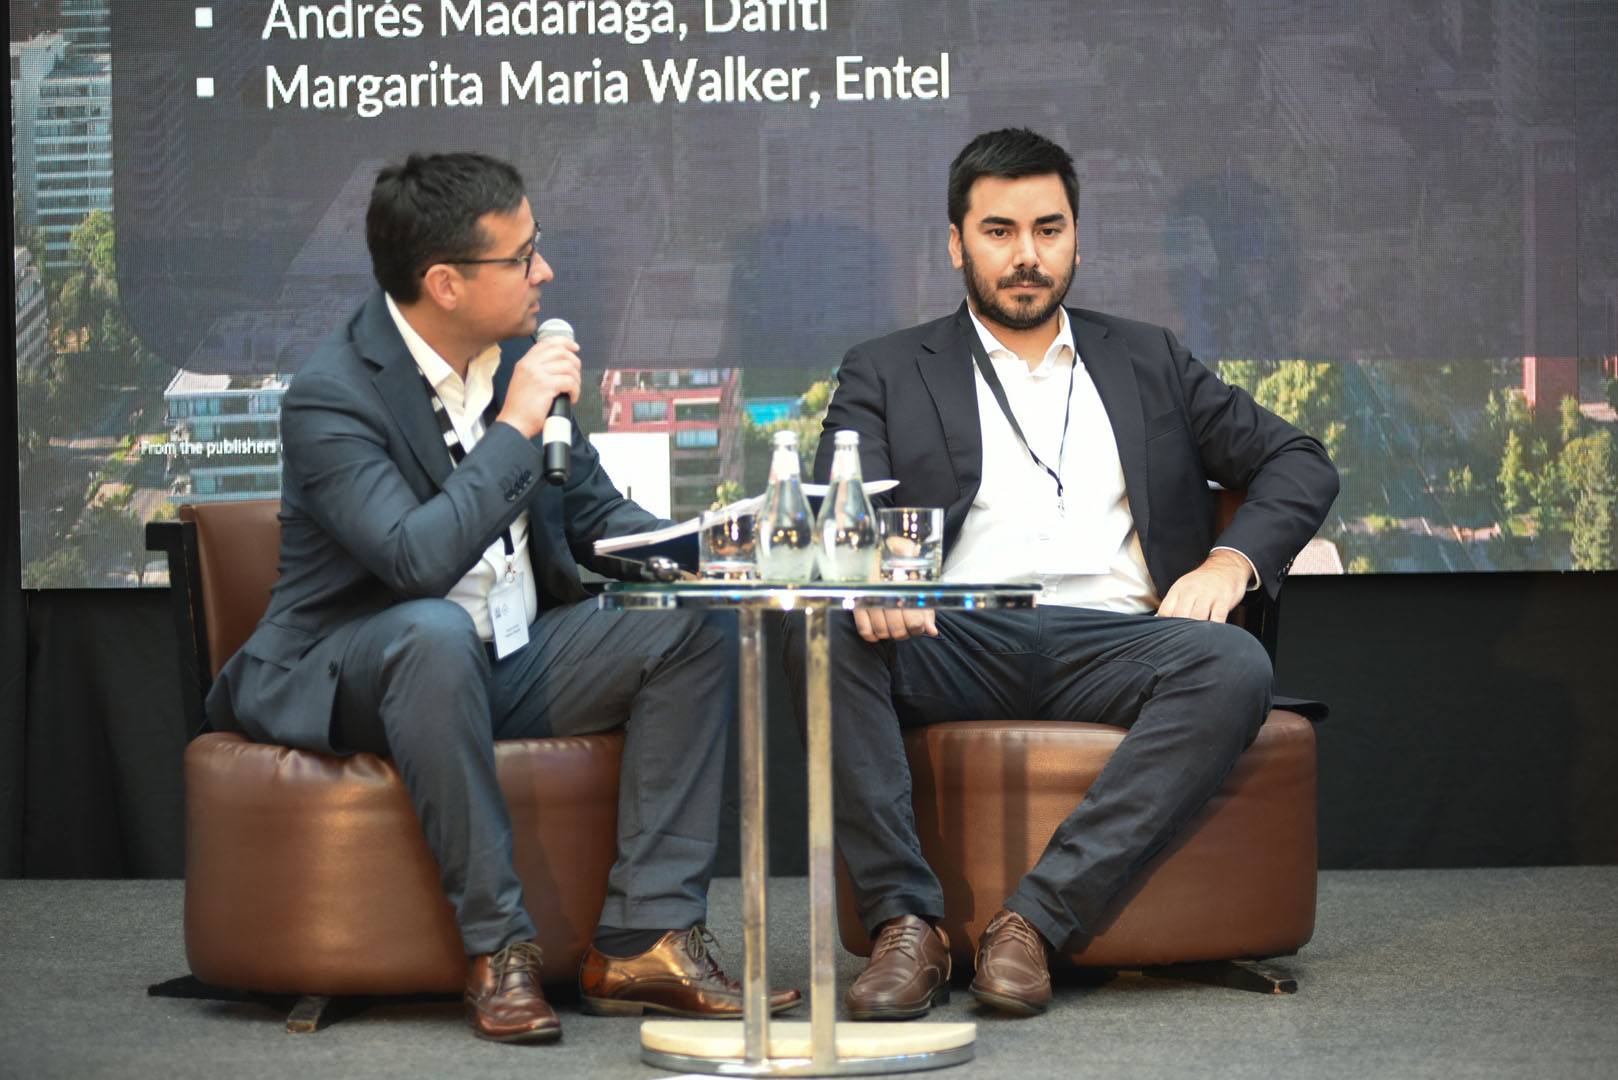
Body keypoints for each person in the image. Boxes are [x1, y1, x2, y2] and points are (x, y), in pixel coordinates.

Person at [207, 152, 798, 1043]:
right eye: (522, 258)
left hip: (506, 656)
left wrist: (711, 549)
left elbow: (598, 517)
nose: (545, 272)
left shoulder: (514, 363)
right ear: (445, 283)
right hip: (354, 666)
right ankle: (499, 950)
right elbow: (414, 560)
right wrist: (518, 424)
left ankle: (647, 940)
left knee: (686, 623)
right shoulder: (333, 398)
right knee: (434, 632)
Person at [785, 128, 1339, 1019]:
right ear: (956, 244)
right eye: (999, 231)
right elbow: (837, 504)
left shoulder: (1149, 358)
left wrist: (1229, 563)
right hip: (952, 636)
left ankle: (1033, 924)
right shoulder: (885, 370)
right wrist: (872, 569)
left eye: (1049, 229)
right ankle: (905, 925)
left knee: (1235, 664)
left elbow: (1299, 461)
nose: (1027, 256)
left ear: (1077, 237)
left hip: (1119, 642)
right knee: (819, 632)